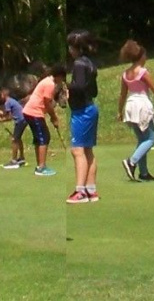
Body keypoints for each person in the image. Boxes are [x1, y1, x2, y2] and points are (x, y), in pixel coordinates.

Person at [117, 40, 154, 182]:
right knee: (152, 138)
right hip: (142, 105)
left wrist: (120, 111)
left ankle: (143, 172)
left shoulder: (125, 73)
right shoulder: (143, 72)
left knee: (142, 139)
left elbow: (122, 94)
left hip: (131, 105)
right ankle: (131, 161)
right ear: (141, 56)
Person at [65, 30, 99, 204]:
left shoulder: (78, 64)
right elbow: (93, 90)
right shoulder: (89, 63)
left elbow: (77, 87)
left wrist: (66, 89)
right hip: (90, 107)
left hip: (82, 111)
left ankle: (80, 191)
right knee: (87, 150)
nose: (69, 50)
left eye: (71, 46)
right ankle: (90, 189)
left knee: (77, 150)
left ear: (76, 47)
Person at [22, 64, 67, 176]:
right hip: (34, 112)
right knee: (44, 137)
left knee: (39, 138)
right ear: (59, 76)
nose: (62, 81)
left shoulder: (47, 81)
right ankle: (41, 168)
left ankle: (39, 165)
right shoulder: (50, 84)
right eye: (62, 78)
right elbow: (47, 103)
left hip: (30, 111)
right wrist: (54, 118)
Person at [0, 87, 28, 169]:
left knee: (14, 140)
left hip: (20, 121)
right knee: (18, 139)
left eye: (1, 94)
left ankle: (14, 161)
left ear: (3, 95)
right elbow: (7, 115)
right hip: (23, 120)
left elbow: (8, 117)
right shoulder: (11, 101)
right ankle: (21, 158)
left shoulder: (7, 102)